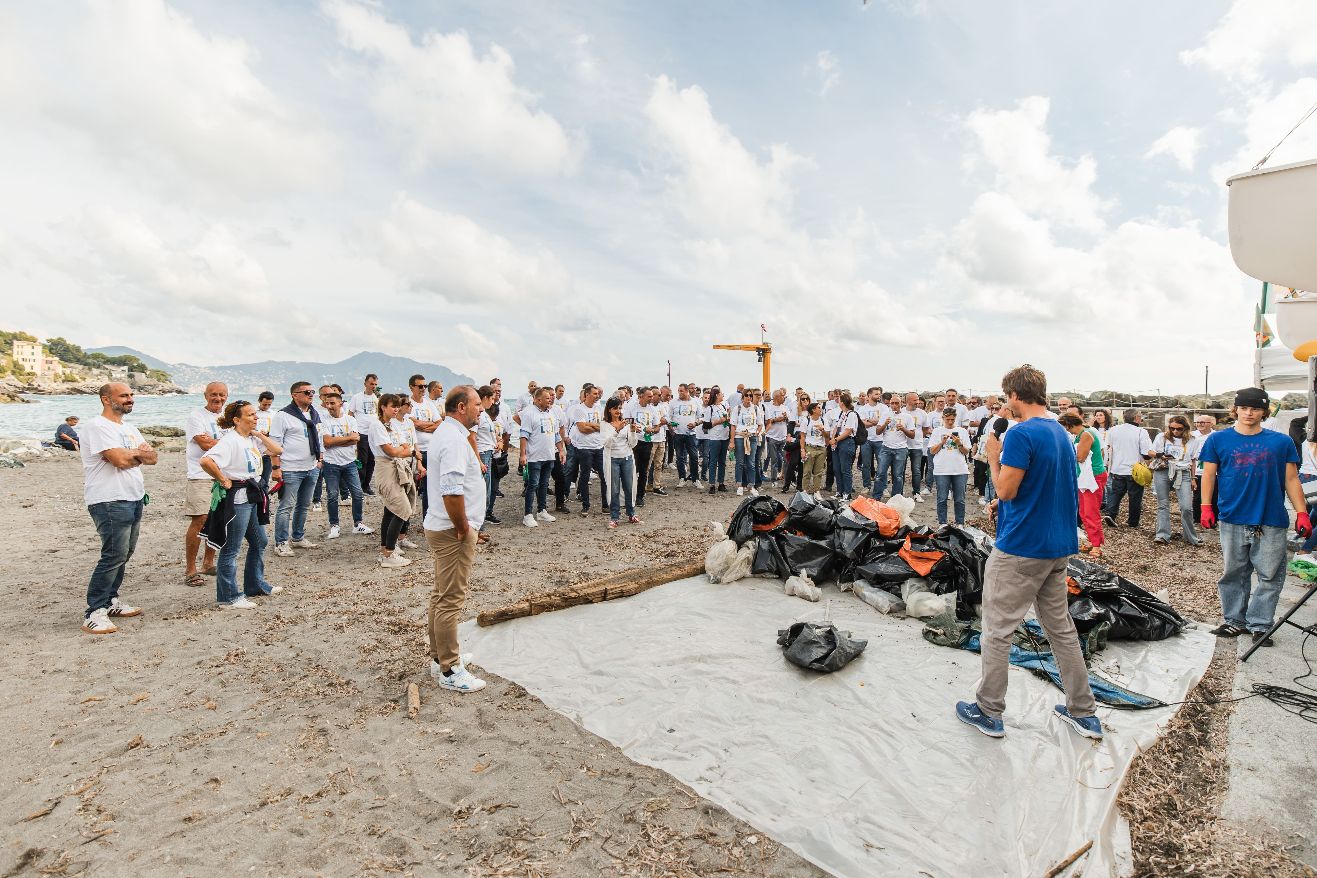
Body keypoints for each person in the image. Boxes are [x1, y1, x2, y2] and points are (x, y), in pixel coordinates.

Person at [956, 364, 1100, 741]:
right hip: (1058, 545)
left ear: (1016, 395)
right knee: (1061, 629)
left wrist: (992, 455)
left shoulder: (1020, 435)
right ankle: (1083, 711)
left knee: (997, 630)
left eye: (1007, 398)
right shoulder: (1060, 433)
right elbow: (1047, 487)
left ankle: (989, 710)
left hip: (1021, 548)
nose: (1007, 405)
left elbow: (1005, 489)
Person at [1199, 387, 1310, 647]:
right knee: (1234, 573)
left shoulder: (1281, 442)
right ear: (1235, 409)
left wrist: (1302, 512)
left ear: (1264, 411)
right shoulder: (1217, 440)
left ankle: (1260, 624)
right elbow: (1208, 474)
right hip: (1232, 517)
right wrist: (1206, 506)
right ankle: (1234, 621)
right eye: (1245, 407)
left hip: (1270, 518)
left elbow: (1291, 478)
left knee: (1270, 575)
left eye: (1256, 408)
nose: (1249, 413)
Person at [424, 386, 488, 693]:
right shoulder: (451, 439)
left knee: (440, 595)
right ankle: (449, 669)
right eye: (477, 404)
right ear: (461, 407)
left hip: (446, 527)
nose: (481, 409)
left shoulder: (452, 434)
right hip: (451, 531)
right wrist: (464, 527)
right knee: (450, 599)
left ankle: (440, 658)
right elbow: (451, 490)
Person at [79, 383, 157, 634]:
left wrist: (132, 454)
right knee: (113, 553)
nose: (130, 399)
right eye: (124, 395)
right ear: (105, 399)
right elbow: (120, 461)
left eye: (131, 395)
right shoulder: (96, 426)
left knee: (125, 552)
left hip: (133, 496)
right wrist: (136, 454)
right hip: (109, 498)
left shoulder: (130, 428)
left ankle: (111, 600)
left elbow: (153, 457)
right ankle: (94, 611)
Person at [201, 400, 284, 608]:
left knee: (260, 541)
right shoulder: (231, 440)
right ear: (237, 420)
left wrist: (258, 434)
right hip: (238, 500)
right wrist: (223, 479)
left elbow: (277, 450)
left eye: (256, 414)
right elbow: (206, 461)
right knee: (231, 549)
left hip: (252, 497)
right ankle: (228, 597)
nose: (256, 417)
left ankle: (254, 585)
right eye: (250, 415)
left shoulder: (249, 439)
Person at [270, 381, 323, 556]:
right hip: (291, 468)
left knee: (304, 504)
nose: (311, 394)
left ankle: (298, 537)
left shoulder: (314, 414)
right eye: (306, 392)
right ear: (295, 395)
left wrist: (320, 459)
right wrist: (276, 468)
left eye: (312, 391)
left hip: (311, 467)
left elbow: (320, 437)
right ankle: (281, 542)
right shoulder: (283, 415)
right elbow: (274, 443)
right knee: (286, 506)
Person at [183, 381, 227, 587]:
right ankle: (190, 569)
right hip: (200, 474)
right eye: (214, 395)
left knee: (217, 519)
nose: (218, 398)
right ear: (205, 395)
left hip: (223, 474)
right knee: (200, 519)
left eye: (222, 395)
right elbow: (205, 444)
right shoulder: (196, 416)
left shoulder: (227, 417)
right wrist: (231, 444)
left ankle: (208, 562)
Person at [371, 394, 422, 567]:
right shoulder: (377, 426)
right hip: (386, 468)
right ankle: (389, 554)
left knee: (390, 510)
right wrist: (404, 451)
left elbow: (405, 446)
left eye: (397, 406)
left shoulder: (393, 425)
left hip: (397, 466)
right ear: (383, 407)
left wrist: (402, 451)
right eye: (393, 406)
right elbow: (390, 451)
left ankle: (385, 549)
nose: (396, 409)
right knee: (402, 508)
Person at [318, 391, 371, 539]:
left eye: (332, 403)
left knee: (358, 494)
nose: (329, 406)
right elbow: (327, 442)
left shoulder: (350, 419)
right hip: (331, 463)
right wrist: (347, 439)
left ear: (340, 403)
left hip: (349, 462)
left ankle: (358, 524)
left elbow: (356, 440)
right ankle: (334, 525)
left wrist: (337, 440)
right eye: (327, 403)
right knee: (333, 496)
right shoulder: (324, 421)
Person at [1060, 413, 1106, 559]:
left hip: (1092, 477)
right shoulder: (1084, 432)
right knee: (1084, 511)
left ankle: (1097, 545)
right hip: (1085, 477)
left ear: (1068, 424)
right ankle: (1093, 541)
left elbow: (1080, 457)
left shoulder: (1086, 434)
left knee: (1091, 512)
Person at [520, 386, 566, 527]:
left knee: (544, 485)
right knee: (532, 485)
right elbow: (524, 434)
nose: (551, 399)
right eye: (547, 398)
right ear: (538, 400)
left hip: (549, 455)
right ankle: (527, 515)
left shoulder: (551, 414)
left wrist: (561, 450)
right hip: (534, 457)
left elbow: (556, 434)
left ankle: (541, 511)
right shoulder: (529, 413)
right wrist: (522, 454)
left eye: (551, 397)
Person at [1152, 415, 1201, 547]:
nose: (1175, 431)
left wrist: (1193, 478)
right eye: (1172, 428)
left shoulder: (1193, 440)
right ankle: (1162, 535)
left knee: (1186, 507)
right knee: (1163, 504)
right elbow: (1152, 452)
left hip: (1183, 471)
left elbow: (1193, 461)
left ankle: (1190, 536)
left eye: (1178, 429)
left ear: (1185, 428)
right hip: (1163, 470)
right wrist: (1160, 456)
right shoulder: (1162, 437)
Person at [1102, 409, 1152, 528]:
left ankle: (1111, 514)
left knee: (1115, 494)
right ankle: (1133, 522)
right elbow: (1146, 453)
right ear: (1136, 418)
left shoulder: (1113, 430)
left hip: (1117, 468)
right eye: (1140, 416)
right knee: (1135, 497)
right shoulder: (1141, 431)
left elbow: (1108, 447)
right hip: (1135, 470)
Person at [600, 397, 641, 527]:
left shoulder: (626, 423)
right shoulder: (604, 425)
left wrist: (633, 431)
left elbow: (633, 444)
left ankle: (631, 513)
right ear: (609, 410)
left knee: (629, 487)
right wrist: (616, 430)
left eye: (619, 407)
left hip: (627, 457)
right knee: (614, 489)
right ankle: (614, 516)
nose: (618, 410)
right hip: (612, 459)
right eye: (614, 408)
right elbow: (606, 443)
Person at [406, 373, 442, 518]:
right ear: (411, 387)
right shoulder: (408, 404)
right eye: (420, 386)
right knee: (410, 486)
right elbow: (413, 423)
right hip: (414, 450)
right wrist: (430, 424)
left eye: (425, 386)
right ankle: (405, 519)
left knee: (430, 487)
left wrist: (423, 426)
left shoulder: (429, 403)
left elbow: (439, 423)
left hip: (431, 449)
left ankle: (427, 518)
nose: (423, 389)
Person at [929, 407, 971, 525]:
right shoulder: (937, 431)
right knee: (942, 498)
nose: (950, 422)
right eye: (948, 419)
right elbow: (932, 451)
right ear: (943, 418)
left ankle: (960, 523)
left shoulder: (962, 431)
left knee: (960, 499)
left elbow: (966, 452)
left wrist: (959, 443)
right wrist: (942, 442)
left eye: (952, 419)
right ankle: (942, 523)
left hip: (960, 470)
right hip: (941, 470)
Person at [349, 374, 381, 495]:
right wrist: (352, 430)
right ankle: (359, 485)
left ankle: (367, 484)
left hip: (375, 433)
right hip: (361, 432)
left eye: (375, 384)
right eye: (371, 383)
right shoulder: (357, 397)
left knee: (372, 460)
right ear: (365, 383)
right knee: (363, 459)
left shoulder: (378, 397)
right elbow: (350, 414)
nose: (373, 386)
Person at [731, 388, 763, 497]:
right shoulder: (737, 409)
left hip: (752, 437)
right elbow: (733, 426)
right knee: (740, 462)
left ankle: (751, 485)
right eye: (746, 395)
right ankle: (739, 485)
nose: (748, 397)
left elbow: (760, 424)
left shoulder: (756, 408)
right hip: (740, 437)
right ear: (743, 397)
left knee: (751, 462)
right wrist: (732, 441)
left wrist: (757, 433)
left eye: (750, 395)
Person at [669, 384, 701, 488]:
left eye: (681, 391)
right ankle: (682, 478)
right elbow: (668, 418)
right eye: (678, 391)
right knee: (679, 457)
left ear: (687, 391)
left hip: (691, 434)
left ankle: (695, 478)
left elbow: (701, 417)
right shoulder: (673, 402)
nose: (679, 393)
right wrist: (671, 430)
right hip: (678, 434)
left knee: (694, 457)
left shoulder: (695, 401)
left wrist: (695, 424)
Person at [829, 392, 859, 501]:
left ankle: (847, 492)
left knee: (845, 469)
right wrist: (833, 439)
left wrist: (835, 439)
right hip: (838, 442)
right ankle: (839, 491)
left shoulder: (852, 414)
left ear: (842, 402)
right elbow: (837, 427)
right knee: (837, 468)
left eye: (839, 399)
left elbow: (848, 431)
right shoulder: (842, 413)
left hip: (847, 442)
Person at [701, 388, 730, 494]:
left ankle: (721, 483)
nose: (723, 395)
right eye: (722, 394)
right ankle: (712, 484)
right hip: (715, 438)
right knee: (713, 461)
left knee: (722, 461)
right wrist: (719, 421)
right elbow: (706, 424)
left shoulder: (723, 406)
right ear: (717, 395)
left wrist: (727, 420)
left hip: (724, 437)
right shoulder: (710, 408)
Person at [800, 402, 829, 499]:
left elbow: (827, 436)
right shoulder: (806, 421)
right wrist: (802, 450)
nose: (820, 409)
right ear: (813, 410)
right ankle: (805, 491)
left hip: (821, 448)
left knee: (818, 472)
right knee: (807, 470)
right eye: (818, 408)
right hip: (809, 447)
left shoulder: (824, 421)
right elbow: (802, 437)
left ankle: (816, 491)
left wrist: (823, 430)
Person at [255, 391, 275, 484]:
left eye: (269, 404)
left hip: (267, 449)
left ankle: (264, 498)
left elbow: (277, 431)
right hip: (255, 448)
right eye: (264, 404)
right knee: (254, 477)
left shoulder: (273, 414)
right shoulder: (253, 412)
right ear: (259, 401)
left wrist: (268, 433)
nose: (266, 406)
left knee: (265, 478)